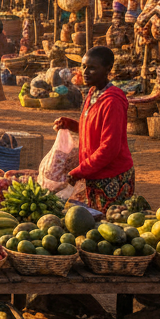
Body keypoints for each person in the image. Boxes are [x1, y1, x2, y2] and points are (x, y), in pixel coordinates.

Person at [54, 46, 134, 209]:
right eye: (84, 66)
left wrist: (79, 171)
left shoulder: (113, 101)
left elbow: (109, 148)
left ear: (108, 69)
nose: (85, 72)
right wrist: (71, 124)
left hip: (111, 176)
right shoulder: (92, 92)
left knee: (109, 227)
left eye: (92, 68)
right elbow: (92, 130)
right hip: (93, 173)